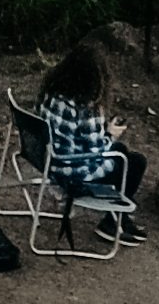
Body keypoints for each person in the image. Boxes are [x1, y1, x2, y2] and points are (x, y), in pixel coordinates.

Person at [36, 37, 140, 206]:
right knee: (135, 162)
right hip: (74, 177)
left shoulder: (51, 94)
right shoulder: (86, 108)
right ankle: (115, 216)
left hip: (49, 163)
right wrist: (110, 135)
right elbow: (96, 153)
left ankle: (117, 215)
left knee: (120, 150)